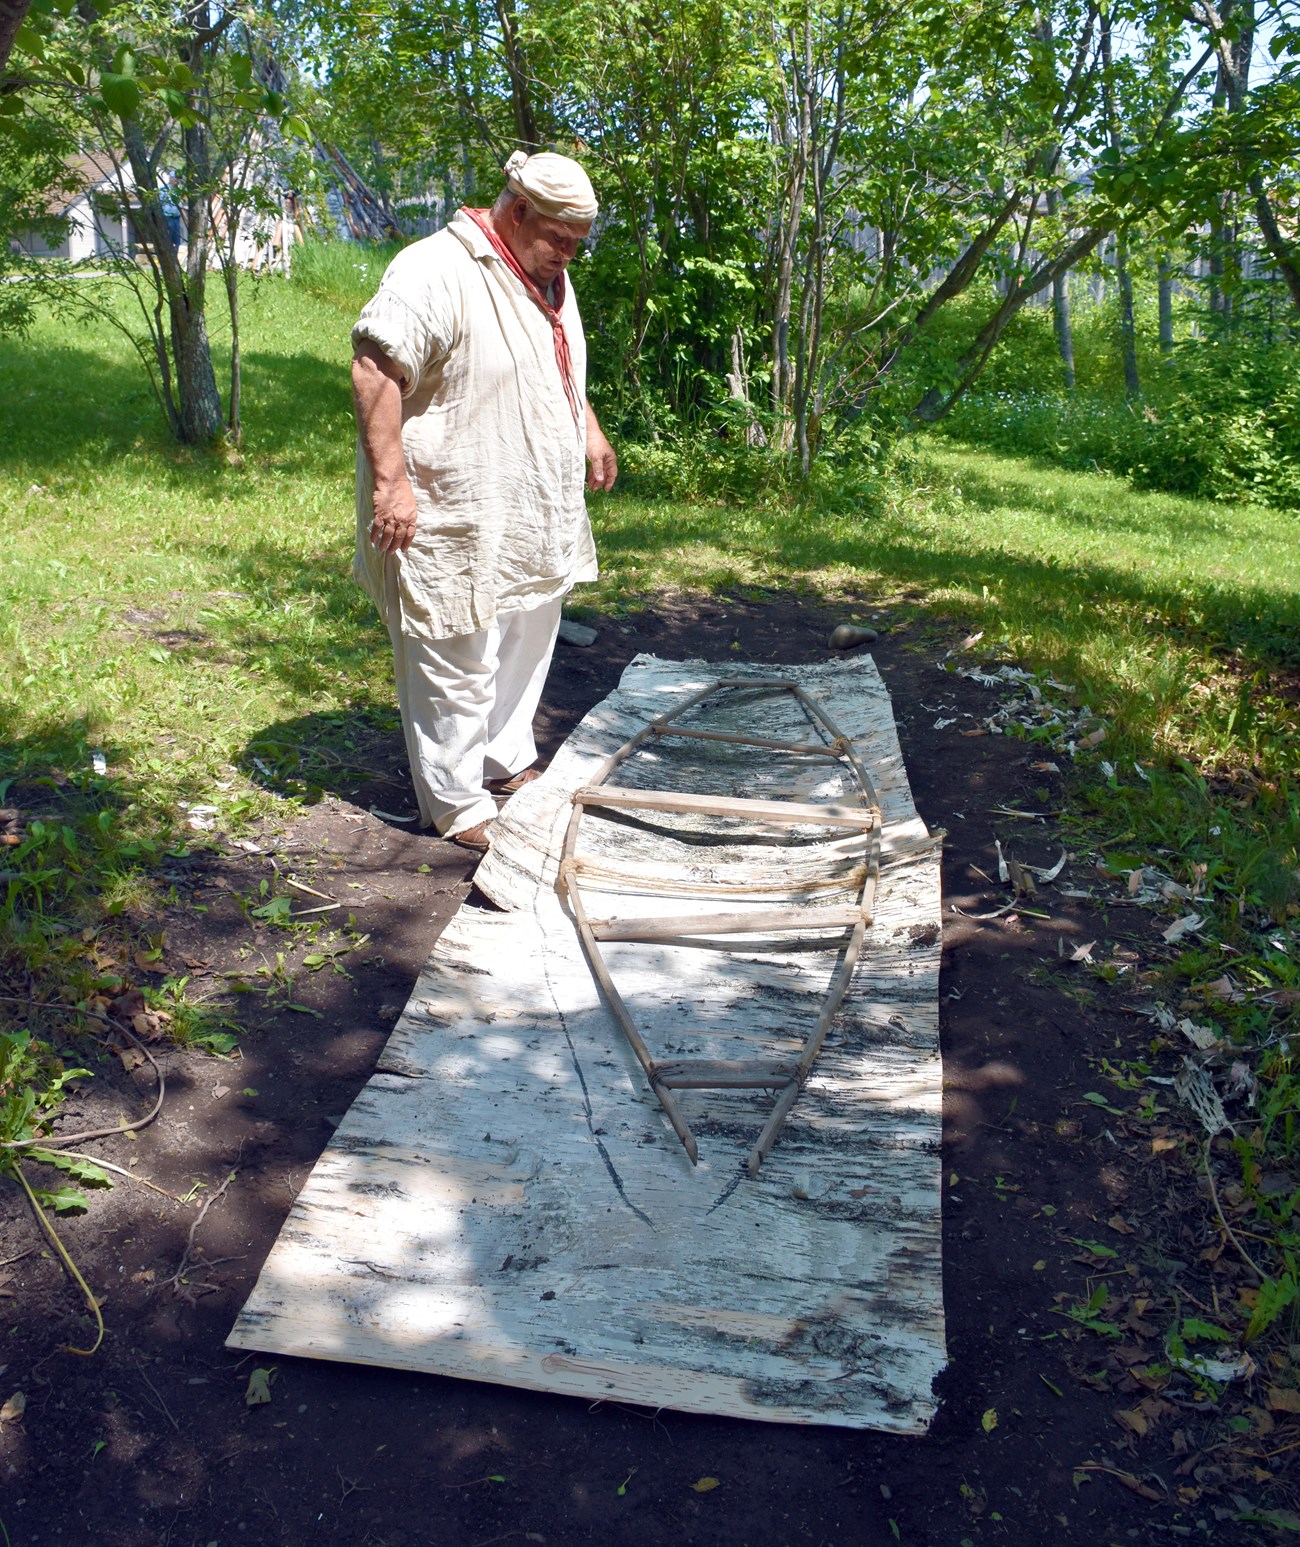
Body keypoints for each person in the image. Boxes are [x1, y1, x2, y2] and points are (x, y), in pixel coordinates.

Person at [350, 151, 617, 856]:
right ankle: (456, 798)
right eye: (560, 240)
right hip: (453, 503)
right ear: (518, 210)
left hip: (529, 501)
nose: (568, 256)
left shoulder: (544, 273)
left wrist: (587, 430)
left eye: (578, 245)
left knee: (526, 632)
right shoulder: (435, 270)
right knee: (455, 646)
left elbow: (553, 358)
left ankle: (502, 758)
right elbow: (375, 366)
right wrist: (390, 483)